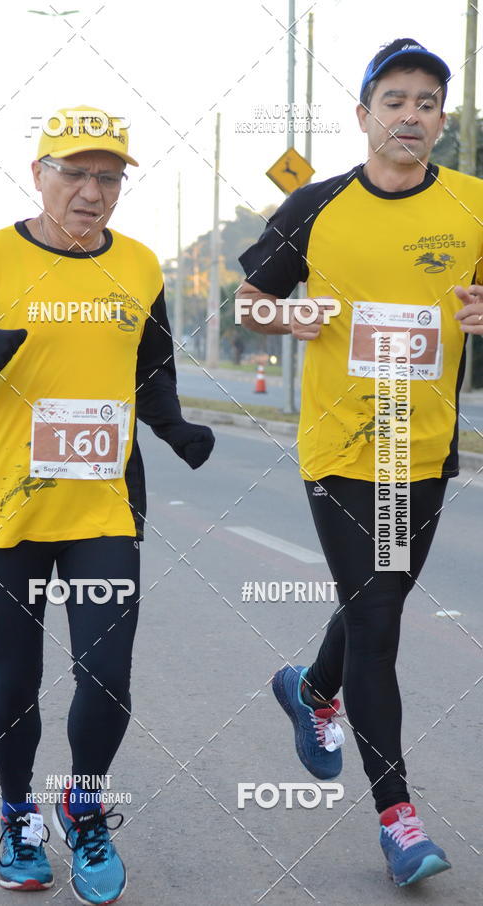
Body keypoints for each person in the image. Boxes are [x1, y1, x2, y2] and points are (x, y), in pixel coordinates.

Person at [0, 105, 215, 904]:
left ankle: (84, 805)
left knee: (107, 678)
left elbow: (150, 368)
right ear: (38, 174)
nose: (90, 192)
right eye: (74, 173)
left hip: (104, 511)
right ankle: (17, 816)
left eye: (108, 177)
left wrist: (174, 428)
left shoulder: (138, 265)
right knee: (15, 682)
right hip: (8, 513)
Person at [237, 39, 483, 888]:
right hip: (341, 448)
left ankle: (312, 689)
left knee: (378, 597)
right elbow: (250, 300)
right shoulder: (316, 205)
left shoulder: (473, 204)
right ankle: (398, 820)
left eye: (427, 103)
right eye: (395, 100)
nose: (410, 115)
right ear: (364, 114)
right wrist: (286, 318)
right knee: (377, 619)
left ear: (442, 121)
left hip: (424, 447)